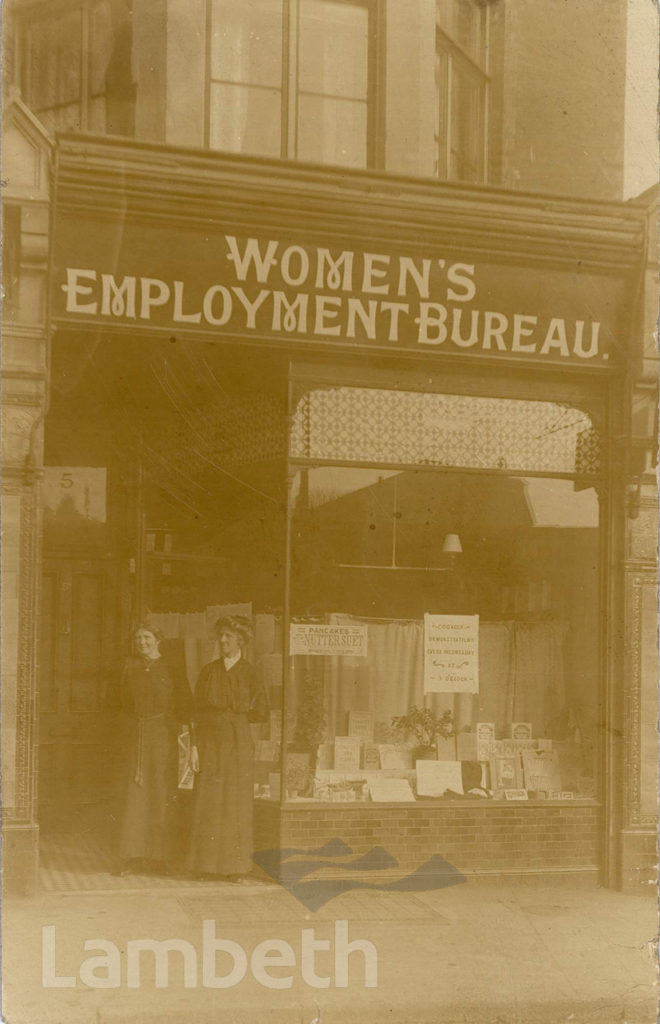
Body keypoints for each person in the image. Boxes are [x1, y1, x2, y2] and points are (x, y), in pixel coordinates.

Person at [187, 615, 268, 881]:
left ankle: (234, 867)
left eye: (228, 636)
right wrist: (195, 747)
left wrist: (235, 718)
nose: (222, 640)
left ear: (241, 639)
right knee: (208, 801)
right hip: (209, 742)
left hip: (237, 743)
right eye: (220, 635)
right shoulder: (209, 671)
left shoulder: (251, 673)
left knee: (235, 804)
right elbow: (196, 711)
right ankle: (205, 865)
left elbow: (261, 712)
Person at [113, 624, 196, 875]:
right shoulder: (128, 667)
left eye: (147, 637)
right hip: (134, 737)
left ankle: (163, 858)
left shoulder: (172, 668)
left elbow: (185, 704)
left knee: (161, 791)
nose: (142, 643)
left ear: (158, 640)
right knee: (134, 795)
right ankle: (131, 856)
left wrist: (187, 737)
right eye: (138, 638)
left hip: (163, 736)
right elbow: (118, 702)